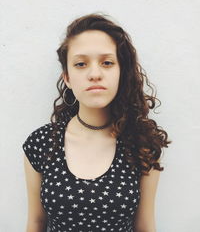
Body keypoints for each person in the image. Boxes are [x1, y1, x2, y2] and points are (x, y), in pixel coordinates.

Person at [22, 13, 171, 232]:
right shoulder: (42, 143)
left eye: (107, 63)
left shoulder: (143, 144)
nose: (94, 74)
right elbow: (36, 223)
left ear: (122, 72)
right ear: (67, 77)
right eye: (81, 64)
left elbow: (145, 226)